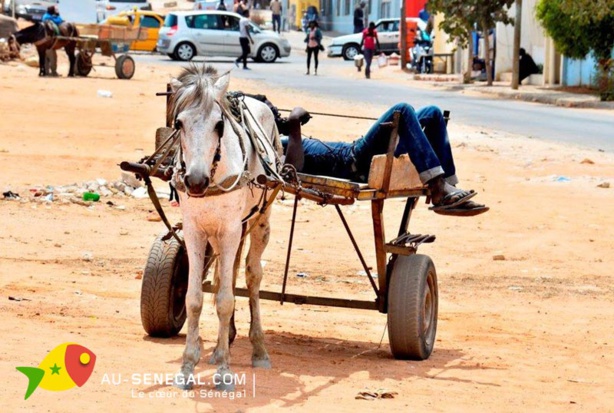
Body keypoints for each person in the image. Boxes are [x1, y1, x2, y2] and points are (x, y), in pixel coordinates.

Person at [281, 104, 489, 216]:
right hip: (355, 161)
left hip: (356, 150)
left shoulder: (284, 139)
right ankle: (438, 187)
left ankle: (449, 190)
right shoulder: (281, 147)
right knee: (403, 110)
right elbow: (293, 168)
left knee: (433, 113)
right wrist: (294, 123)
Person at [42, 5, 63, 77]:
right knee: (53, 57)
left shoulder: (44, 16)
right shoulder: (50, 18)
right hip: (49, 42)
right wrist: (58, 15)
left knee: (45, 58)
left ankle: (46, 72)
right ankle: (54, 72)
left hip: (43, 43)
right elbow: (59, 21)